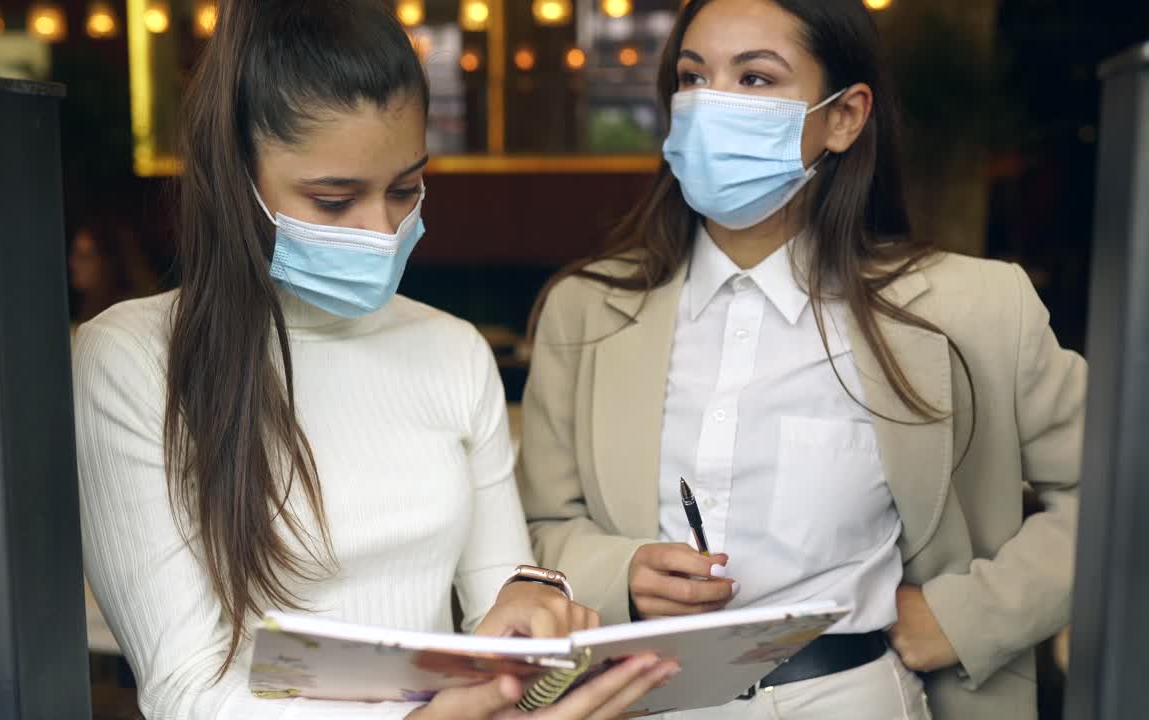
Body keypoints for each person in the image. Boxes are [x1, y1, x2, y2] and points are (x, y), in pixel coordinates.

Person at [72, 1, 677, 718]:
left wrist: (534, 623)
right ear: (236, 177)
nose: (382, 232)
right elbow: (188, 692)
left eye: (404, 189)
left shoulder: (454, 351)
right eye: (334, 201)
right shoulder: (133, 360)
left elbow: (501, 631)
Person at [516, 1, 1082, 719]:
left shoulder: (974, 308)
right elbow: (532, 527)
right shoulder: (586, 310)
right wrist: (618, 573)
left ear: (844, 117)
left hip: (853, 697)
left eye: (755, 78)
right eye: (692, 77)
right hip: (637, 699)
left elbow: (1118, 490)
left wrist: (970, 614)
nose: (711, 103)